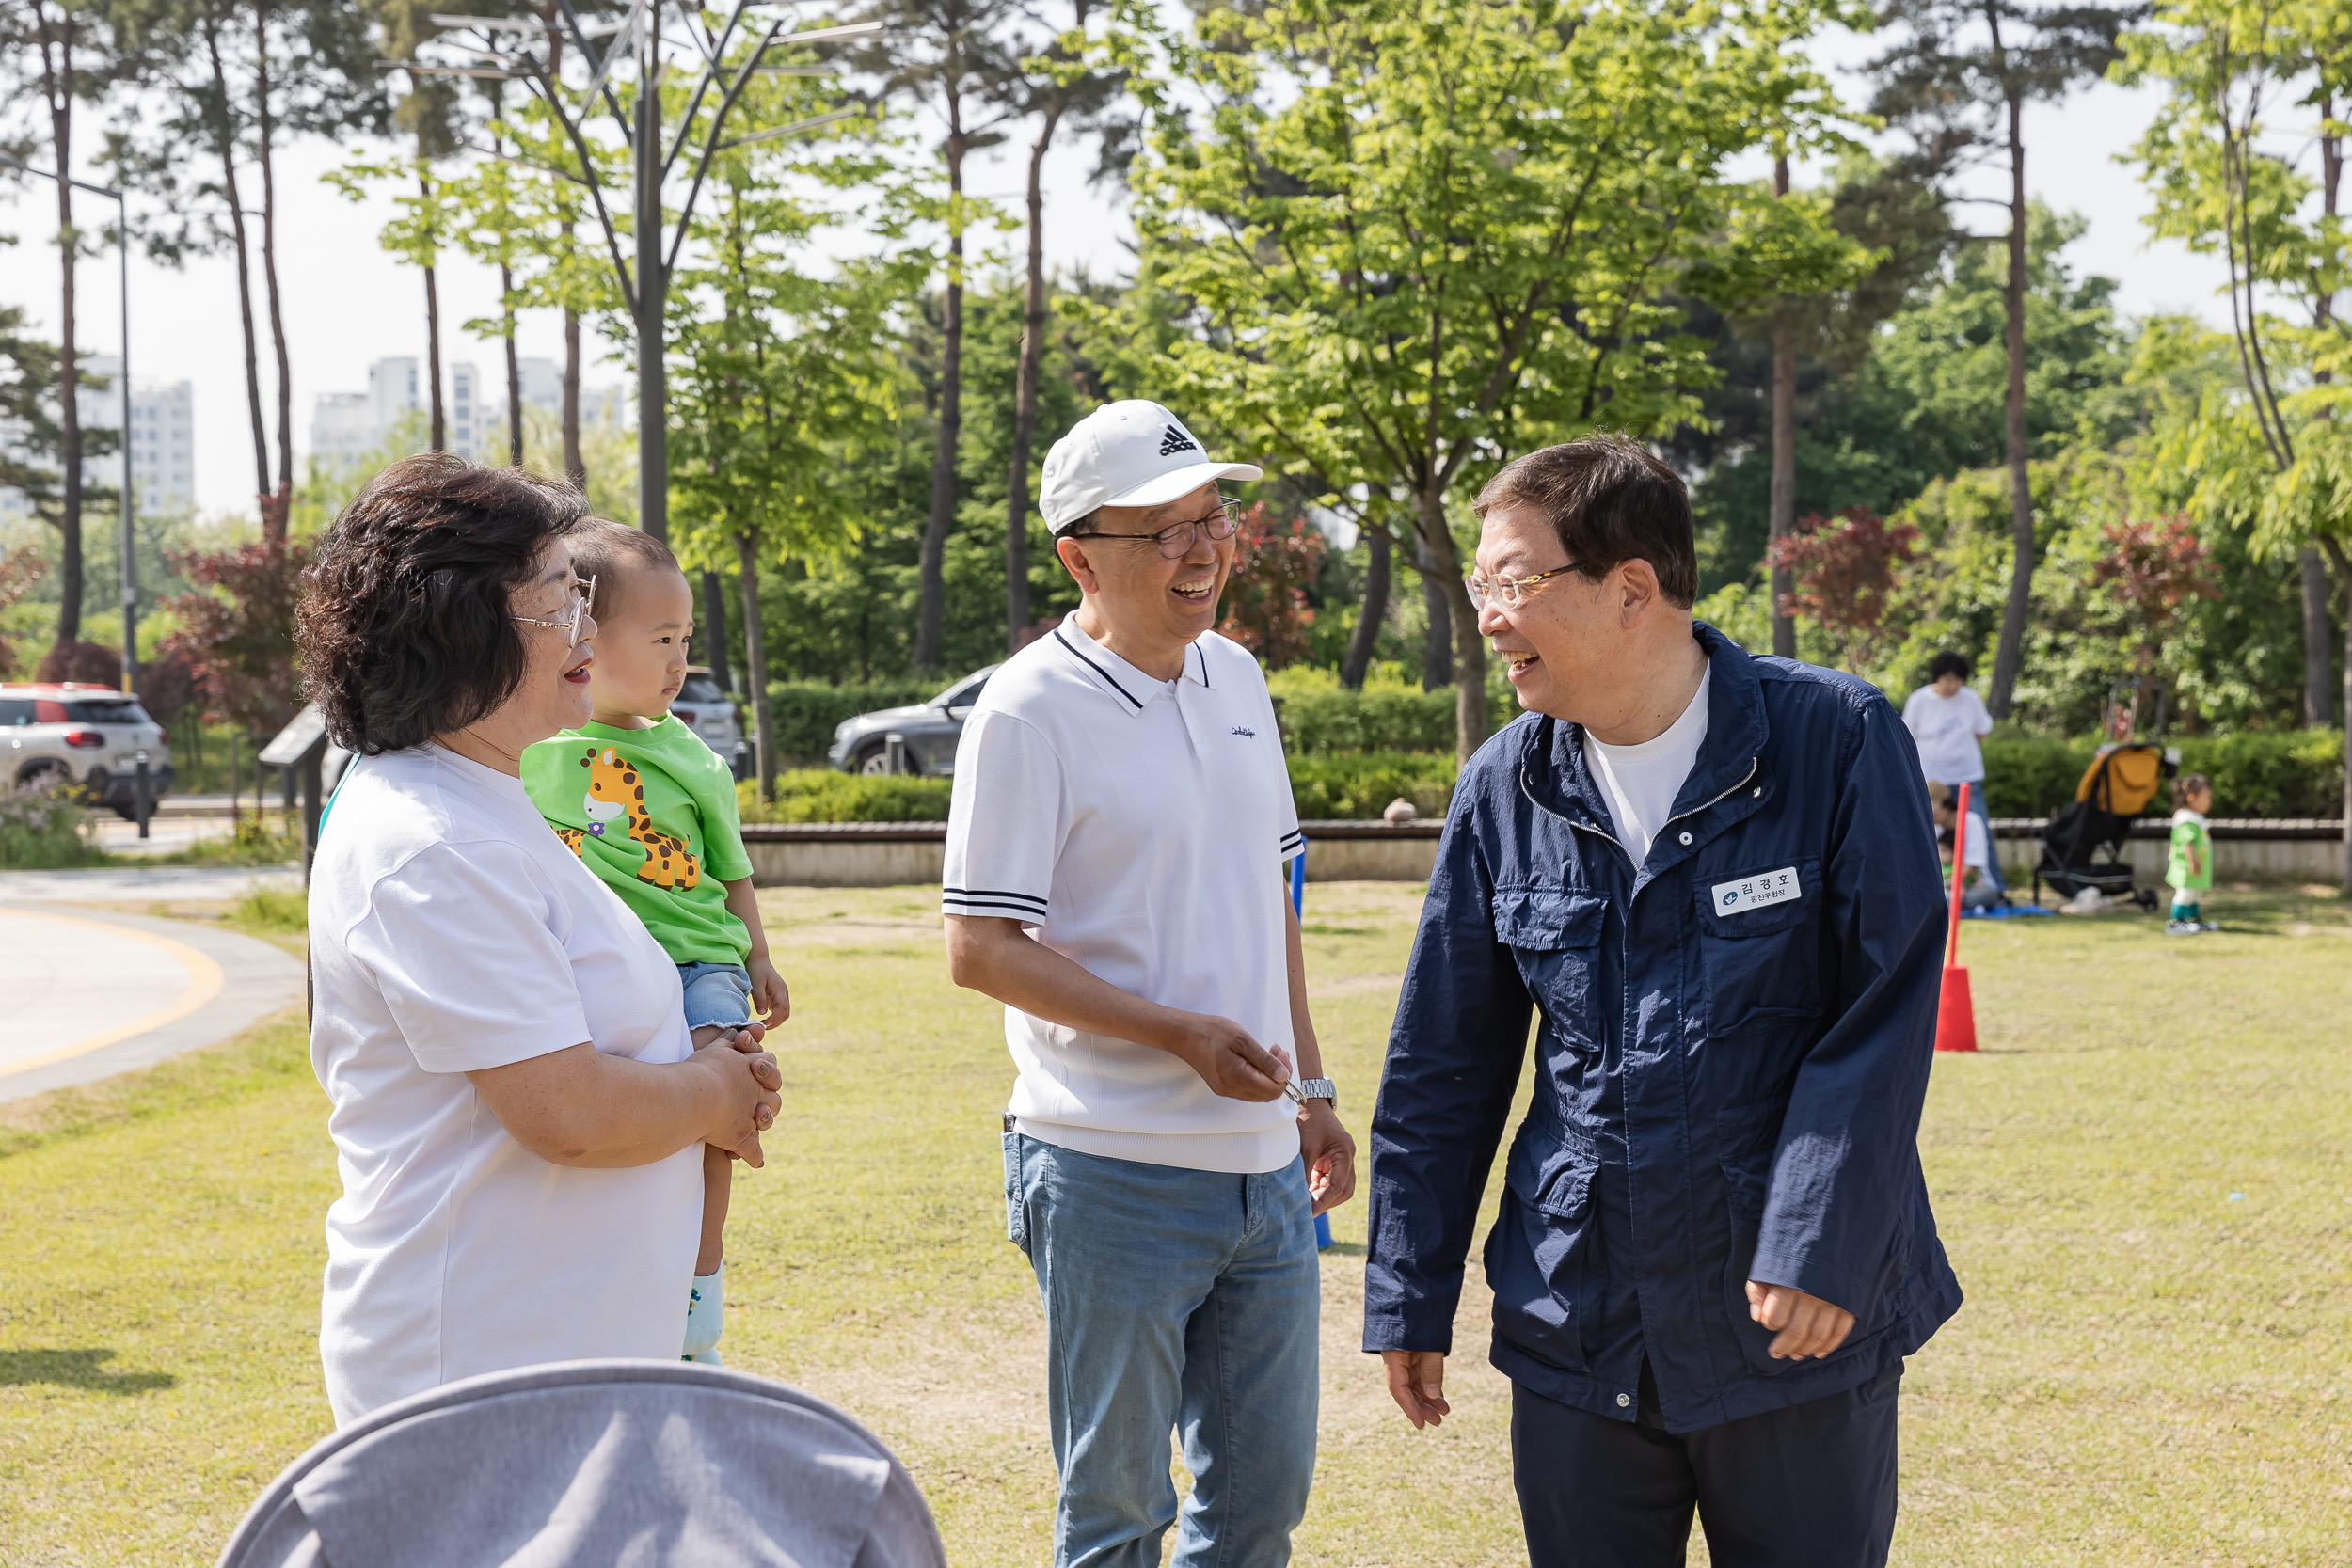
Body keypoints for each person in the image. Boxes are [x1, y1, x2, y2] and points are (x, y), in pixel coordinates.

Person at [1363, 436, 1962, 1568]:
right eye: (1481, 583)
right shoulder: (1504, 785)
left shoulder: (1831, 740)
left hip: (1792, 1325)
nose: (1488, 614)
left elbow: (1881, 1017)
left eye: (1513, 580)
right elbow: (1445, 1059)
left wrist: (1821, 1242)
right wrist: (1409, 1287)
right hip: (1578, 1326)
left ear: (1630, 586)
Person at [941, 399, 1357, 1567]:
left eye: (1212, 518)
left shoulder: (1235, 678)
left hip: (1264, 1173)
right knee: (1118, 1514)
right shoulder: (1026, 710)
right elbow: (979, 946)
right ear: (1079, 556)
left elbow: (1268, 893)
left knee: (1259, 1507)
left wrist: (1310, 1084)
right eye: (1161, 528)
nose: (1202, 548)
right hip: (1106, 1168)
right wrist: (1176, 1033)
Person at [298, 454, 782, 1426]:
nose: (586, 634)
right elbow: (567, 1111)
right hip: (481, 1374)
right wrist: (712, 1091)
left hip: (558, 1366)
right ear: (462, 626)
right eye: (561, 602)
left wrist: (697, 1052)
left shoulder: (495, 795)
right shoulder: (431, 844)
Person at [520, 518, 791, 1365]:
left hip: (698, 958)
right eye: (662, 638)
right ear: (586, 640)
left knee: (728, 1090)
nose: (680, 661)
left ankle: (698, 1282)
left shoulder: (694, 759)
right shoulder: (537, 746)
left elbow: (732, 869)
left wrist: (757, 956)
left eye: (686, 639)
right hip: (592, 968)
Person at [1902, 652, 2003, 900]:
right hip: (1932, 781)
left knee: (1978, 829)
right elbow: (1907, 738)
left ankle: (1994, 887)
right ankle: (1926, 888)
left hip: (1966, 777)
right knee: (1927, 832)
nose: (1952, 685)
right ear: (1936, 678)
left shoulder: (1969, 699)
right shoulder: (1919, 700)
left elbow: (1980, 732)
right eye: (1947, 679)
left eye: (1958, 680)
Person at [1928, 781, 1999, 911]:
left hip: (1974, 885)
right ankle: (1944, 902)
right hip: (1943, 886)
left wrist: (1950, 884)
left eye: (1934, 812)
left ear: (1946, 806)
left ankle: (1944, 903)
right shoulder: (1933, 828)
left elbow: (1972, 865)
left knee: (1981, 896)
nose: (1931, 815)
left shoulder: (1971, 822)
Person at [2167, 773, 2217, 934]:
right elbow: (2186, 843)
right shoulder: (2186, 819)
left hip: (2196, 865)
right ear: (2191, 798)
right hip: (2187, 867)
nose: (2209, 802)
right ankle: (2174, 923)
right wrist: (2192, 861)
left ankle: (2193, 921)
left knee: (2194, 894)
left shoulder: (2196, 817)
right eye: (2206, 797)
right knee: (2185, 894)